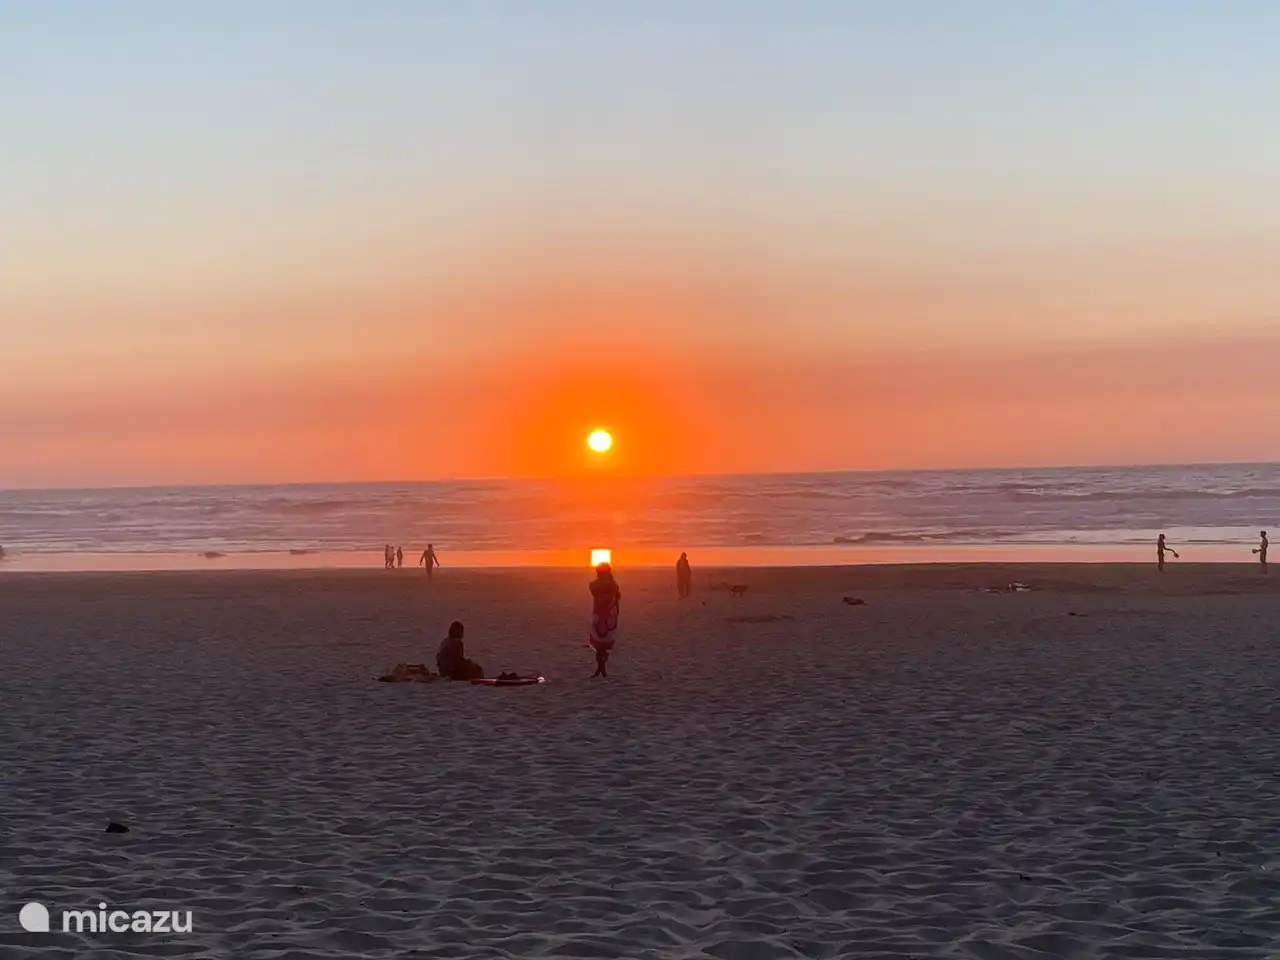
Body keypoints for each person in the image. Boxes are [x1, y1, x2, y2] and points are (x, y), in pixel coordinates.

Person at [588, 562, 622, 678]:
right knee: (604, 645)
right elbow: (617, 597)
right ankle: (601, 669)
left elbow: (593, 589)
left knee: (600, 645)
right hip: (608, 616)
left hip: (601, 615)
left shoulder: (598, 584)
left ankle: (601, 668)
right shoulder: (612, 584)